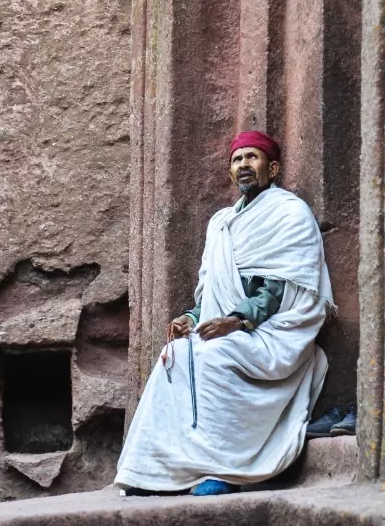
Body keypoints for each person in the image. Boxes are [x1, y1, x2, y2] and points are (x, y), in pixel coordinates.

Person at [115, 131, 334, 496]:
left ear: (273, 167)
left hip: (274, 331)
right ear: (231, 172)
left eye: (252, 157)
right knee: (175, 353)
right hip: (232, 326)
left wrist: (236, 321)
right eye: (237, 160)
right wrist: (191, 316)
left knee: (212, 356)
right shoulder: (221, 223)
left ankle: (224, 470)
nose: (244, 165)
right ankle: (157, 471)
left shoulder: (289, 212)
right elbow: (215, 289)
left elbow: (281, 289)